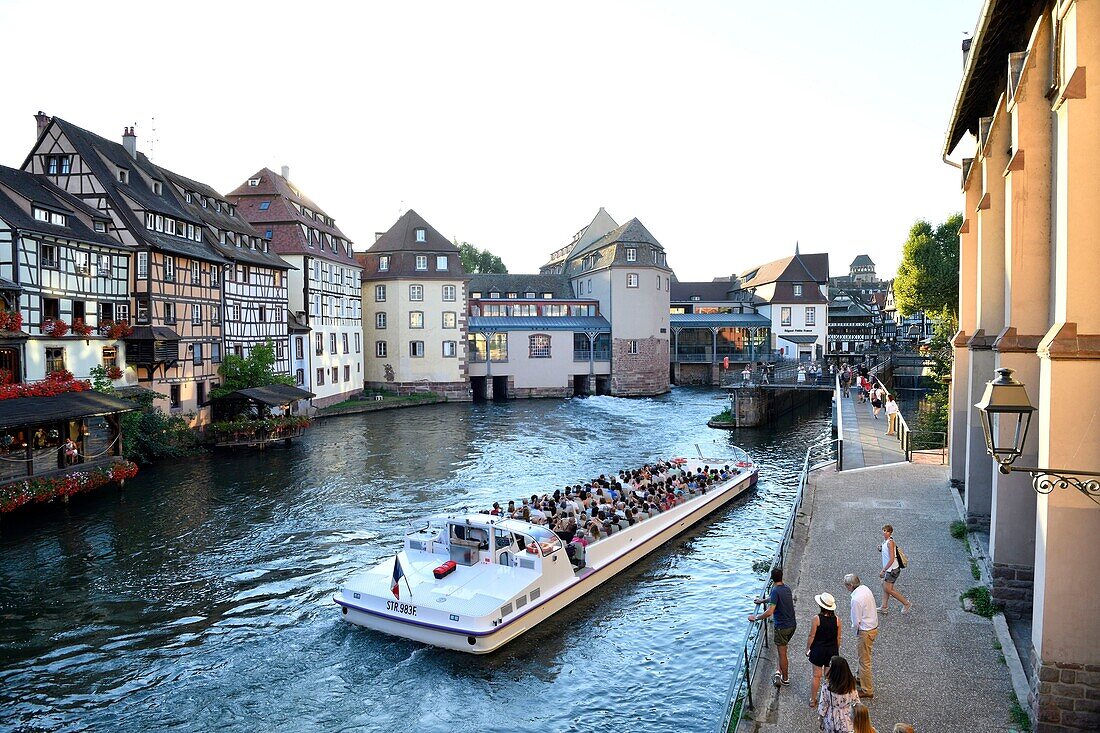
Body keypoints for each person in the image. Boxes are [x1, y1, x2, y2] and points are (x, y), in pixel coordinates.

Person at [748, 567, 796, 686]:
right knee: (784, 650)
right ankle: (780, 671)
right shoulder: (786, 588)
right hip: (792, 625)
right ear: (781, 576)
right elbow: (774, 599)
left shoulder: (775, 591)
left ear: (771, 578)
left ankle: (785, 679)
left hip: (782, 627)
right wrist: (763, 600)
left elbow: (770, 612)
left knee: (782, 653)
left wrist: (756, 617)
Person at [844, 573, 879, 698]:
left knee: (864, 661)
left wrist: (855, 633)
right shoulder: (865, 589)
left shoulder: (855, 600)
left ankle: (867, 689)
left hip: (865, 630)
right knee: (863, 657)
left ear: (850, 585)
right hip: (872, 625)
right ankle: (859, 678)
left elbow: (856, 622)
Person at [805, 591, 841, 708]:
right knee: (829, 677)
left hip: (818, 650)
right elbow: (838, 637)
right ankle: (828, 699)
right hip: (831, 651)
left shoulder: (817, 619)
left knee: (816, 676)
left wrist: (808, 648)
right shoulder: (837, 620)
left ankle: (812, 699)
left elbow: (812, 636)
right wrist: (836, 649)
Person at [818, 655, 860, 733]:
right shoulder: (851, 685)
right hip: (848, 719)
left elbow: (823, 706)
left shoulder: (827, 686)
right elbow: (856, 702)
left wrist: (820, 719)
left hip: (831, 719)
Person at [879, 524, 911, 614]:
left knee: (889, 589)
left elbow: (892, 558)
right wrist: (880, 548)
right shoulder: (886, 541)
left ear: (890, 532)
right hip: (890, 569)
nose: (885, 532)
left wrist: (883, 570)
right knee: (886, 588)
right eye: (884, 530)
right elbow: (887, 551)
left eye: (887, 531)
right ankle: (884, 607)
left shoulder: (890, 542)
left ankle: (906, 603)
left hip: (892, 570)